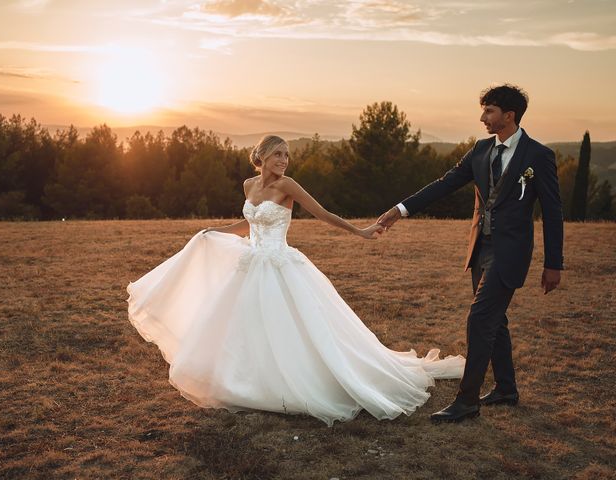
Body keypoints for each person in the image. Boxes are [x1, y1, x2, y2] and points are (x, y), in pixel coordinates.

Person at [127, 134, 465, 427]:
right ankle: (248, 382)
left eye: (287, 155)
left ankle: (300, 383)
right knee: (245, 327)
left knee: (290, 327)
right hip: (250, 264)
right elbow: (247, 225)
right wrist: (213, 231)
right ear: (261, 157)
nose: (284, 161)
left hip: (280, 264)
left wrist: (361, 232)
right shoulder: (249, 185)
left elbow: (323, 214)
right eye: (278, 155)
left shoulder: (287, 186)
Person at [377, 84, 564, 424]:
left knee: (480, 319)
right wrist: (400, 209)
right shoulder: (479, 150)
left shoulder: (538, 156)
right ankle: (506, 389)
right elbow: (444, 183)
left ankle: (467, 402)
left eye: (489, 111)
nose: (482, 118)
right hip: (481, 249)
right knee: (496, 321)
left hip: (510, 252)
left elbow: (552, 212)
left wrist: (554, 264)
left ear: (509, 116)